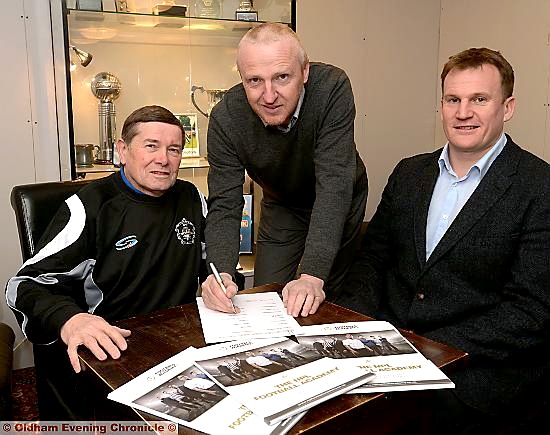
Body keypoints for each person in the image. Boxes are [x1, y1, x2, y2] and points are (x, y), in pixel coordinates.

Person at [338, 47, 550, 433]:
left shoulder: (539, 186)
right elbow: (372, 261)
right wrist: (350, 330)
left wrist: (423, 349)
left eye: (479, 100)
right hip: (387, 353)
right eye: (453, 99)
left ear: (508, 107)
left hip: (477, 375)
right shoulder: (409, 173)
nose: (463, 112)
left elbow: (531, 311)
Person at [5, 105, 208, 420]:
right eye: (151, 146)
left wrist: (218, 279)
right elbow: (23, 285)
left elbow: (209, 263)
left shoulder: (192, 197)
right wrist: (72, 320)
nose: (164, 160)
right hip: (117, 349)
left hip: (182, 342)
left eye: (174, 150)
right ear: (123, 150)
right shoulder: (89, 207)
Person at [201, 22, 368, 318]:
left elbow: (333, 187)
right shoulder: (226, 117)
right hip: (282, 202)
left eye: (282, 77)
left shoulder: (331, 88)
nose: (269, 95)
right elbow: (225, 203)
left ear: (304, 72)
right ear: (241, 79)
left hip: (337, 194)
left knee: (319, 299)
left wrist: (311, 276)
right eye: (254, 81)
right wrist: (221, 273)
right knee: (267, 297)